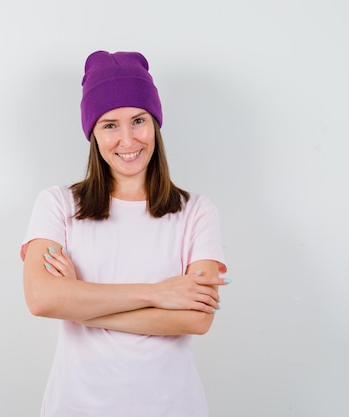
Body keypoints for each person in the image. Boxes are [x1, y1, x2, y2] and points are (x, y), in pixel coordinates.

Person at [20, 50, 230, 417]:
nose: (128, 140)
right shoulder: (58, 205)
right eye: (110, 125)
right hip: (77, 406)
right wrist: (159, 293)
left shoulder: (197, 211)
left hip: (172, 407)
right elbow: (41, 299)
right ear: (93, 134)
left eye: (138, 120)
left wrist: (83, 309)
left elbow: (197, 318)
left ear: (155, 124)